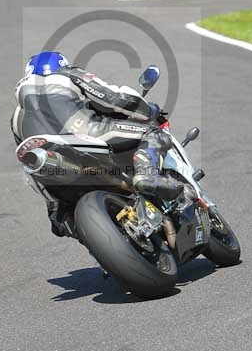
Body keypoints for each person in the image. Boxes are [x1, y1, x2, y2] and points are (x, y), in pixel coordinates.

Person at [11, 51, 182, 237]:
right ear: (61, 64)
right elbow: (114, 98)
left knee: (61, 215)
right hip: (84, 132)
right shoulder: (67, 73)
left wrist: (53, 208)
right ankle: (146, 174)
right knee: (153, 133)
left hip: (52, 163)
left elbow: (29, 165)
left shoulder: (16, 117)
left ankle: (78, 226)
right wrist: (148, 110)